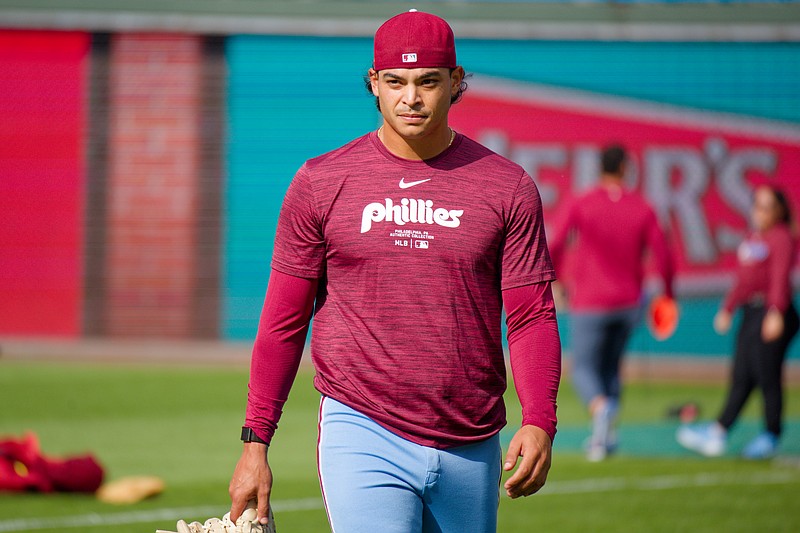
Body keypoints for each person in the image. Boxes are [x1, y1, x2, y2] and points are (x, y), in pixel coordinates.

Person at [227, 10, 562, 533]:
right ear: (374, 83)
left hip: (471, 437)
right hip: (362, 427)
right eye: (395, 81)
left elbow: (531, 317)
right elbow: (283, 322)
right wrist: (255, 443)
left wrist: (539, 418)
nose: (411, 98)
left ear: (455, 81)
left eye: (427, 81)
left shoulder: (508, 187)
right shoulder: (320, 182)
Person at [548, 144, 674, 461]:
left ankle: (600, 409)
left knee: (583, 369)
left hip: (590, 300)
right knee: (611, 368)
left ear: (600, 167)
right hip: (629, 302)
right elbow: (663, 253)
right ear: (625, 168)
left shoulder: (583, 201)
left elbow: (557, 242)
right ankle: (606, 436)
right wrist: (668, 293)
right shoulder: (642, 206)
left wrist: (556, 281)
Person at [677, 184, 798, 460]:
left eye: (767, 207)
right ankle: (719, 431)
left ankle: (771, 433)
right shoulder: (755, 237)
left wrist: (776, 311)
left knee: (767, 374)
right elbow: (745, 278)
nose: (760, 212)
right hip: (751, 311)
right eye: (757, 205)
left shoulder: (781, 237)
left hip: (771, 312)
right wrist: (728, 307)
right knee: (742, 373)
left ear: (779, 211)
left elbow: (780, 277)